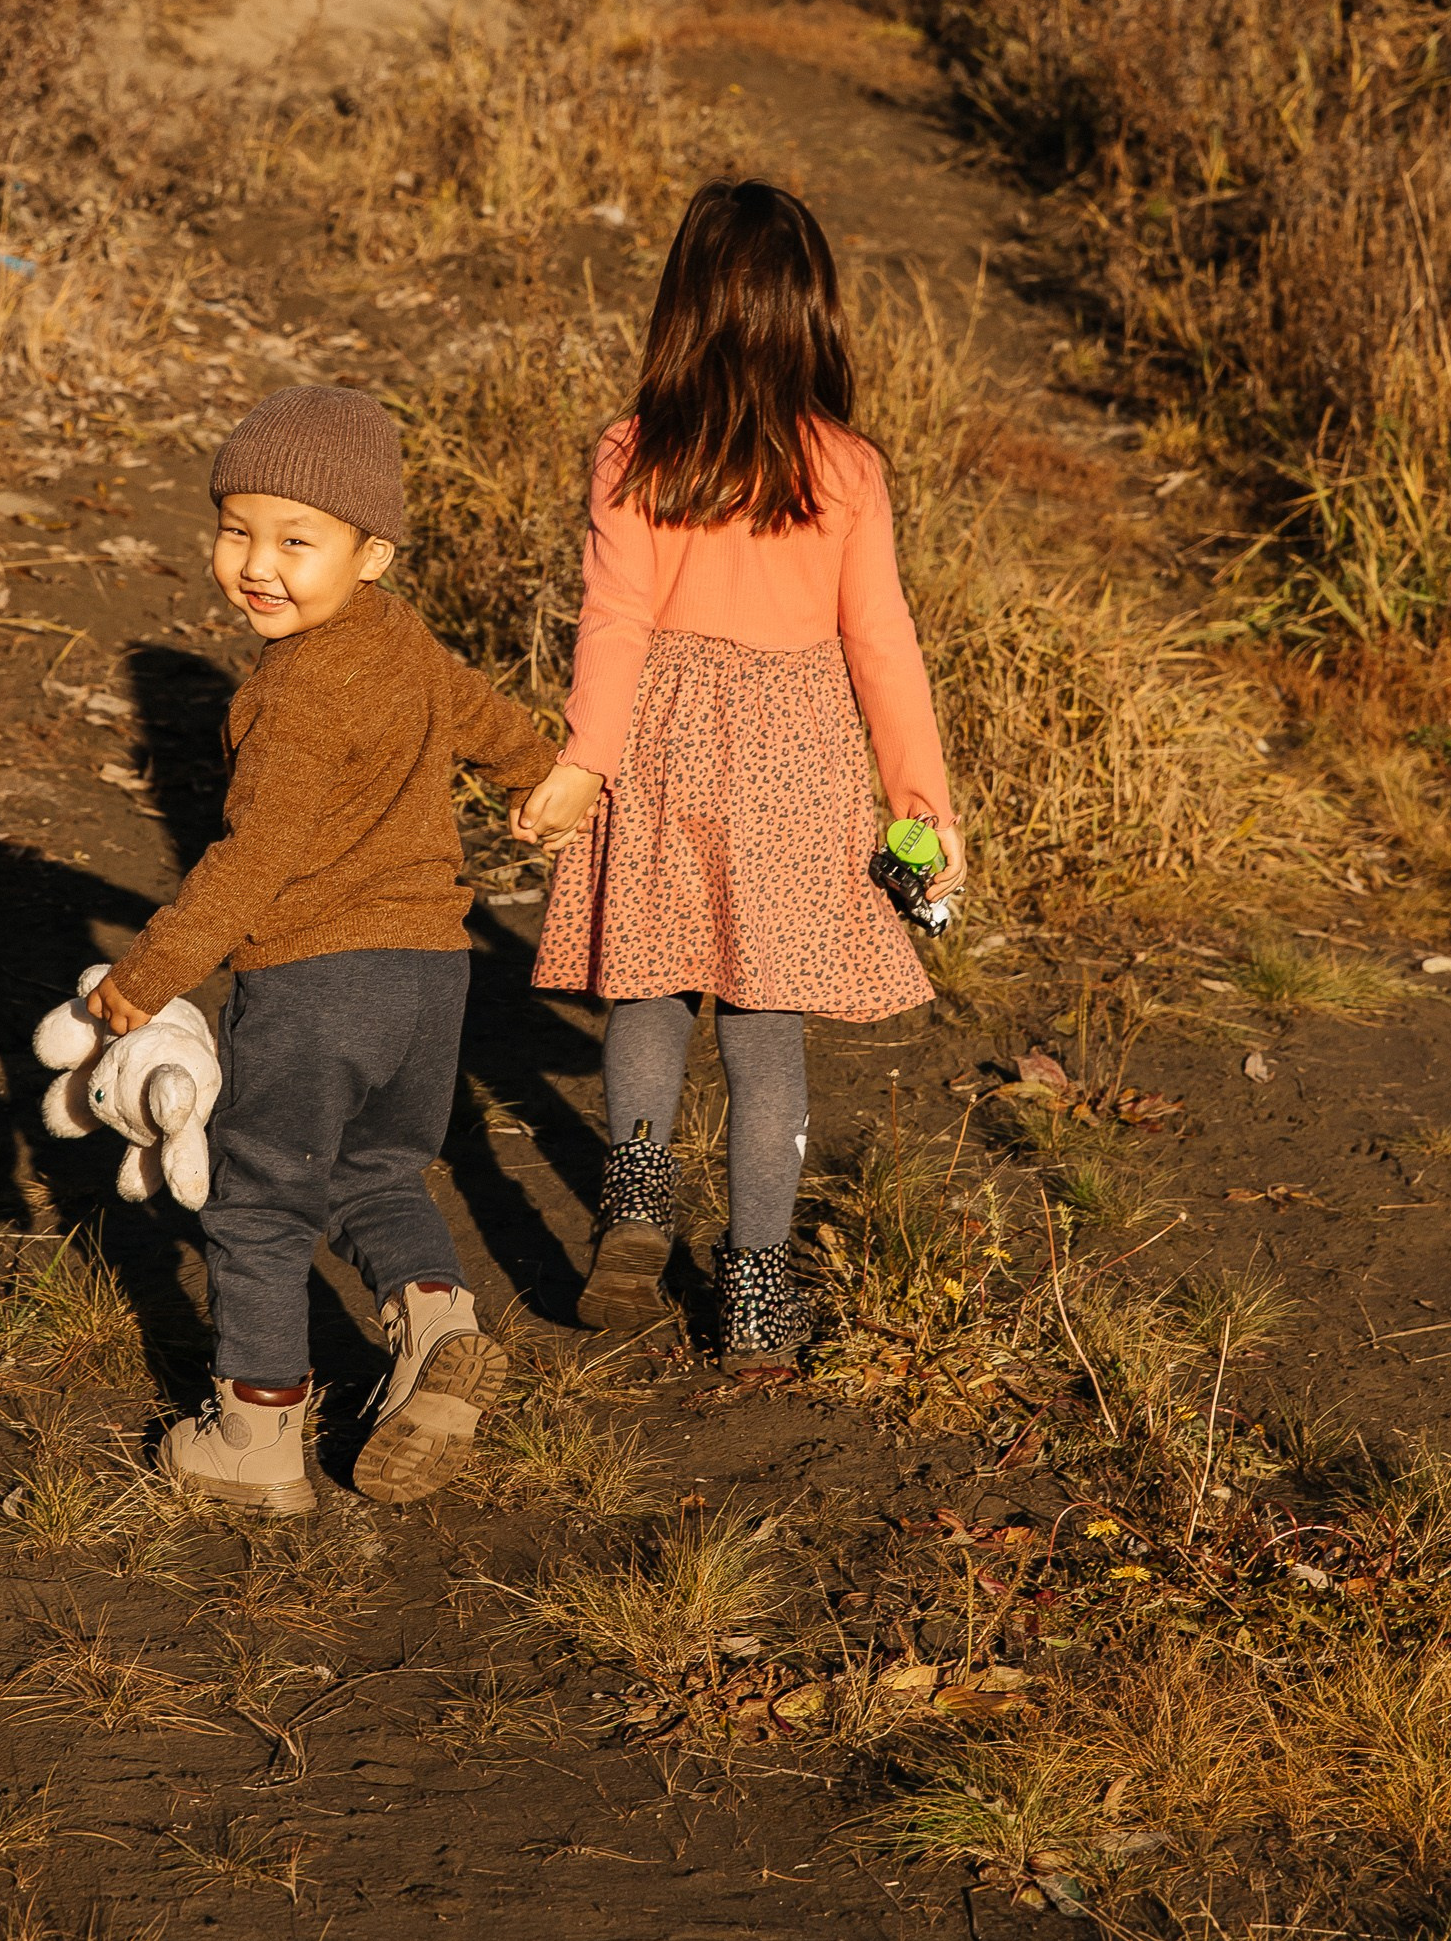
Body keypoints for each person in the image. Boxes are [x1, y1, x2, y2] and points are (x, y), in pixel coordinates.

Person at [514, 180, 963, 1372]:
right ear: (811, 313)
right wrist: (921, 798)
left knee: (647, 993)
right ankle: (756, 1298)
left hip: (657, 747)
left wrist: (579, 766)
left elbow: (609, 623)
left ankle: (637, 1205)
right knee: (766, 1035)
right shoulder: (845, 468)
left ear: (682, 309)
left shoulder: (634, 450)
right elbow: (883, 639)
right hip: (796, 766)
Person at [89, 384, 555, 1517]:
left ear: (372, 551)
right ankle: (436, 1319)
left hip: (312, 984)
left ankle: (253, 1433)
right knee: (380, 1169)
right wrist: (542, 782)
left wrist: (144, 980)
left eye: (296, 540)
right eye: (234, 529)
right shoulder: (406, 641)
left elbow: (253, 862)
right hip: (431, 975)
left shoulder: (292, 693)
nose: (258, 564)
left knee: (258, 1203)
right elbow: (490, 721)